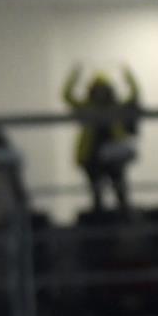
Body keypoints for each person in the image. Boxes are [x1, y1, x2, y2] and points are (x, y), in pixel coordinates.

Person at [63, 63, 140, 216]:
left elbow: (134, 95)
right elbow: (67, 96)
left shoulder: (115, 107)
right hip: (91, 155)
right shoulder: (87, 107)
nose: (100, 93)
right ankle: (99, 216)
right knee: (96, 191)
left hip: (113, 155)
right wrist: (75, 75)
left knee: (119, 188)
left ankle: (124, 214)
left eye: (103, 89)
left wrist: (127, 74)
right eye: (97, 89)